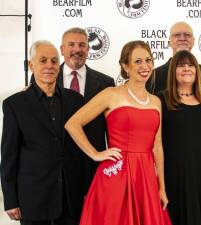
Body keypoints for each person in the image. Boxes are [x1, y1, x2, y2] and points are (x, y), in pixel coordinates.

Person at [65, 40, 171, 225]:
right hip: (117, 174)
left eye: (148, 60)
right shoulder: (111, 94)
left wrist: (161, 187)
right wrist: (96, 154)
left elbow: (157, 146)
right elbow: (73, 124)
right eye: (138, 61)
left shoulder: (155, 101)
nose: (145, 66)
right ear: (125, 66)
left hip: (146, 177)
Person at [1, 40, 84, 225]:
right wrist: (10, 200)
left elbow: (81, 151)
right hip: (33, 201)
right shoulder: (14, 104)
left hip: (70, 200)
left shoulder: (75, 100)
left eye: (54, 61)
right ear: (31, 65)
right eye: (43, 60)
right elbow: (8, 157)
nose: (49, 66)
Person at [159, 50, 201, 225]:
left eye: (191, 65)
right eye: (181, 65)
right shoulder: (161, 100)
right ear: (173, 70)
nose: (187, 69)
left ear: (197, 70)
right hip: (180, 174)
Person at [59, 27, 115, 192]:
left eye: (82, 45)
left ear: (88, 49)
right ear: (62, 49)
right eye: (71, 44)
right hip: (57, 171)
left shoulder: (106, 83)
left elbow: (111, 129)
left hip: (93, 167)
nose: (77, 49)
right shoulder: (44, 78)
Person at [146, 21, 201, 106]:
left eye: (187, 35)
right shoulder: (153, 75)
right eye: (177, 35)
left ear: (193, 41)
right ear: (169, 42)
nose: (182, 38)